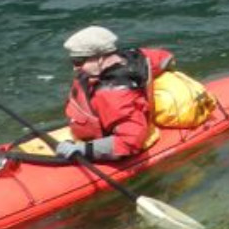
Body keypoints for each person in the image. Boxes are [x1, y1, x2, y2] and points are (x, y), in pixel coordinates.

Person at [54, 26, 175, 162]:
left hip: (109, 145)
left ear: (100, 58)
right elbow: (164, 58)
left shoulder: (114, 95)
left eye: (79, 61)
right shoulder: (133, 57)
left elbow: (129, 140)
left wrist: (83, 150)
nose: (75, 67)